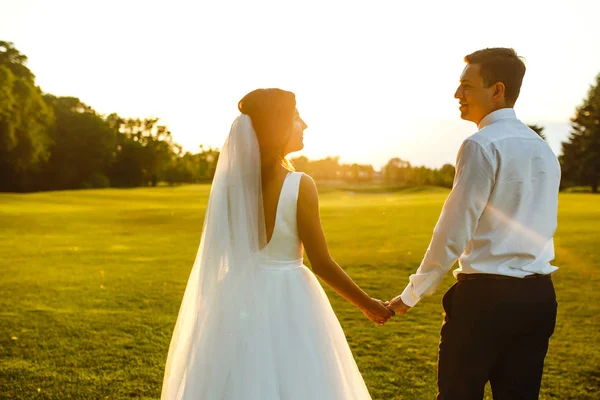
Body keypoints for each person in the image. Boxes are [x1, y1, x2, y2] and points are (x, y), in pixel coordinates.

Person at [161, 88, 393, 400]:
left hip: (236, 296)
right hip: (290, 297)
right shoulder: (299, 184)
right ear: (278, 124)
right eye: (297, 117)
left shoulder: (231, 186)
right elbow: (321, 262)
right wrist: (369, 304)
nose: (305, 125)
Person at [387, 47, 561, 400]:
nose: (457, 95)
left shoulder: (480, 144)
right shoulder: (543, 148)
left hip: (485, 301)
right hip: (538, 300)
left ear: (497, 90)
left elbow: (453, 231)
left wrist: (410, 295)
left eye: (466, 86)